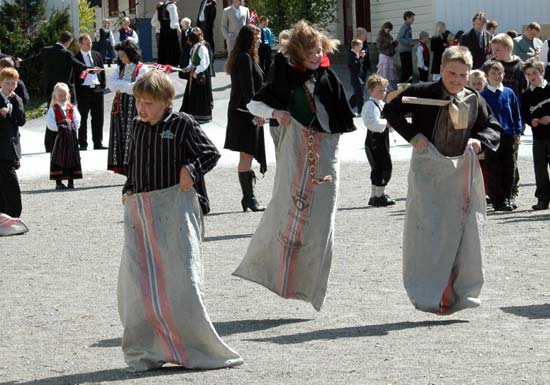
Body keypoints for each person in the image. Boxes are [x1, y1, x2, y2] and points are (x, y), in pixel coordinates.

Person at [119, 70, 243, 372]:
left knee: (181, 279)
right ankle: (148, 350)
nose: (141, 108)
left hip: (177, 212)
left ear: (165, 102)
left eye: (148, 102)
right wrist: (128, 188)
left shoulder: (182, 124)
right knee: (140, 281)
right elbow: (132, 162)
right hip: (144, 212)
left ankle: (194, 346)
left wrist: (191, 169)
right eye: (138, 102)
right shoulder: (136, 127)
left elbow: (210, 153)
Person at [234, 20, 356, 311]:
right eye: (309, 53)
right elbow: (255, 104)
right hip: (294, 152)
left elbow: (340, 117)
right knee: (286, 209)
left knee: (322, 218)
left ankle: (310, 284)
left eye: (318, 51)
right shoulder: (284, 76)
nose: (315, 56)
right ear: (298, 55)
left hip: (325, 154)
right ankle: (276, 273)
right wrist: (277, 112)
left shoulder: (328, 77)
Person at [383, 46, 501, 315]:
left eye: (463, 75)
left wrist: (479, 141)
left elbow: (493, 127)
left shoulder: (474, 98)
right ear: (441, 70)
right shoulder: (422, 91)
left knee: (464, 231)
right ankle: (426, 292)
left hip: (461, 173)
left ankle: (461, 294)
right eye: (452, 73)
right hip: (429, 170)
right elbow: (390, 111)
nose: (457, 79)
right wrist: (414, 136)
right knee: (428, 230)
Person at [223, 25, 265, 212]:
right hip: (244, 113)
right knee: (247, 153)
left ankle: (248, 197)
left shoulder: (244, 57)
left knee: (246, 155)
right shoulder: (245, 58)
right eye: (256, 37)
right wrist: (258, 112)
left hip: (245, 111)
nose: (259, 40)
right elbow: (248, 90)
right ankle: (249, 198)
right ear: (249, 39)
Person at [486, 33, 529, 203]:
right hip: (494, 119)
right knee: (495, 160)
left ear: (509, 49)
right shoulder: (490, 66)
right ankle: (497, 191)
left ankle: (512, 188)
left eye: (498, 50)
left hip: (513, 118)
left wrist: (521, 122)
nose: (494, 52)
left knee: (511, 158)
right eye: (492, 49)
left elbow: (524, 93)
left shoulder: (520, 67)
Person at [481, 60, 522, 211]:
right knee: (494, 168)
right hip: (492, 136)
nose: (498, 76)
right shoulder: (484, 96)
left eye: (500, 72)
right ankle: (498, 200)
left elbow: (516, 112)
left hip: (509, 134)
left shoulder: (509, 92)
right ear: (487, 76)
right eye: (493, 73)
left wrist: (517, 130)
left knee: (510, 167)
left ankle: (508, 196)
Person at [41, 31, 91, 152]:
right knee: (67, 115)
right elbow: (78, 65)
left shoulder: (47, 50)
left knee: (51, 115)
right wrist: (90, 69)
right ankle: (67, 141)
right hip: (64, 90)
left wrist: (21, 63)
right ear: (68, 41)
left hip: (52, 90)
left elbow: (35, 59)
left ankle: (49, 145)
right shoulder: (66, 53)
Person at [107, 40, 149, 175]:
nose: (120, 58)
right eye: (119, 55)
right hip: (120, 105)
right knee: (119, 133)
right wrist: (125, 84)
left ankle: (136, 166)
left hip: (134, 105)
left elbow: (135, 88)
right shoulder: (120, 68)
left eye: (122, 55)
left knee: (133, 134)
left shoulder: (142, 68)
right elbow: (111, 85)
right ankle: (123, 166)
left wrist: (121, 85)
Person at [521, 58, 550, 210]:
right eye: (528, 74)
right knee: (540, 169)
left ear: (542, 72)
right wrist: (530, 120)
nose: (532, 77)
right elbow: (524, 113)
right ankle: (543, 199)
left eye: (534, 73)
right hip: (538, 137)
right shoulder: (526, 95)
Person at [361, 74, 394, 207]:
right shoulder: (370, 105)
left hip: (380, 138)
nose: (383, 93)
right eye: (379, 90)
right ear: (370, 90)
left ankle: (375, 195)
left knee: (378, 168)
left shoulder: (379, 104)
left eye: (384, 90)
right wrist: (386, 122)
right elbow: (370, 122)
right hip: (375, 140)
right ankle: (378, 196)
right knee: (384, 166)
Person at [46, 83, 82, 190]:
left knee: (71, 157)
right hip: (58, 138)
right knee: (58, 158)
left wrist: (72, 127)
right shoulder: (53, 108)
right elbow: (50, 123)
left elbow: (77, 120)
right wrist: (60, 128)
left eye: (64, 95)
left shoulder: (71, 108)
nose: (63, 97)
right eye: (60, 95)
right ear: (55, 96)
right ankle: (58, 182)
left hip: (70, 137)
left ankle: (71, 180)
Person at [0, 67, 25, 217]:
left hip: (11, 146)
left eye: (14, 83)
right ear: (1, 83)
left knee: (9, 181)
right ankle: (9, 213)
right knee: (7, 182)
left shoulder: (17, 99)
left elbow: (21, 121)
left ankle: (13, 214)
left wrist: (17, 103)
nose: (10, 87)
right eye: (7, 83)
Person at [74, 34, 106, 151]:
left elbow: (102, 72)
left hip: (97, 89)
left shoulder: (97, 55)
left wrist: (102, 86)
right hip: (84, 90)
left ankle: (98, 142)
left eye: (91, 43)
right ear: (81, 44)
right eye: (87, 43)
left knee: (98, 118)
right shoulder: (76, 57)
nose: (90, 45)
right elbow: (76, 76)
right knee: (82, 118)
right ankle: (82, 143)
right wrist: (88, 72)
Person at [179, 27, 213, 123]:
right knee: (193, 95)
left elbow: (205, 63)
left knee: (200, 96)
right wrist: (188, 68)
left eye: (189, 39)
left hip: (200, 76)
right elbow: (192, 61)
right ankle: (192, 114)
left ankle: (202, 116)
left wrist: (196, 72)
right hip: (193, 75)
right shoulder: (193, 48)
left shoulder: (202, 48)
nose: (188, 41)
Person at [157, 0, 181, 66]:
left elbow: (159, 19)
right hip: (170, 29)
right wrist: (178, 29)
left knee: (163, 46)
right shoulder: (172, 6)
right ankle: (173, 63)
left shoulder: (161, 6)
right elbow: (174, 19)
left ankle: (162, 63)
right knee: (172, 46)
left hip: (163, 29)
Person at [376, 22, 399, 90]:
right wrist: (388, 43)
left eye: (390, 30)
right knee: (384, 72)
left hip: (389, 55)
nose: (389, 31)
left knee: (389, 72)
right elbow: (379, 46)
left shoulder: (389, 36)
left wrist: (394, 44)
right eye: (388, 30)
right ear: (384, 28)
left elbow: (391, 46)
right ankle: (383, 86)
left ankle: (388, 86)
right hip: (384, 56)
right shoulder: (380, 36)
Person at [397, 10, 415, 83]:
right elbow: (399, 37)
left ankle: (409, 85)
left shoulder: (409, 27)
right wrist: (408, 43)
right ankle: (402, 85)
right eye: (412, 18)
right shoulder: (404, 27)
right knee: (405, 70)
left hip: (408, 50)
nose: (413, 20)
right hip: (404, 51)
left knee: (409, 70)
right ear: (407, 18)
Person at [347, 39, 365, 114]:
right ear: (355, 46)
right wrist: (361, 57)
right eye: (360, 45)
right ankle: (361, 111)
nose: (362, 47)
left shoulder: (356, 53)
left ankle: (347, 107)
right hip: (355, 77)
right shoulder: (351, 54)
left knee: (357, 94)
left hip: (358, 77)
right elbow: (355, 65)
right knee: (359, 95)